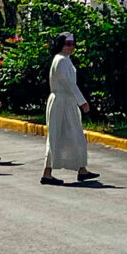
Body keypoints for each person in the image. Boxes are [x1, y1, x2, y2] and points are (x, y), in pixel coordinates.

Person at [40, 34, 94, 186]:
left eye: (73, 44)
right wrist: (82, 102)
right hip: (61, 101)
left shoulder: (65, 59)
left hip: (67, 101)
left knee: (75, 134)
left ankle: (82, 168)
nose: (71, 47)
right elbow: (69, 84)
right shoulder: (61, 60)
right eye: (68, 44)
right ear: (61, 44)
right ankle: (47, 172)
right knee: (57, 135)